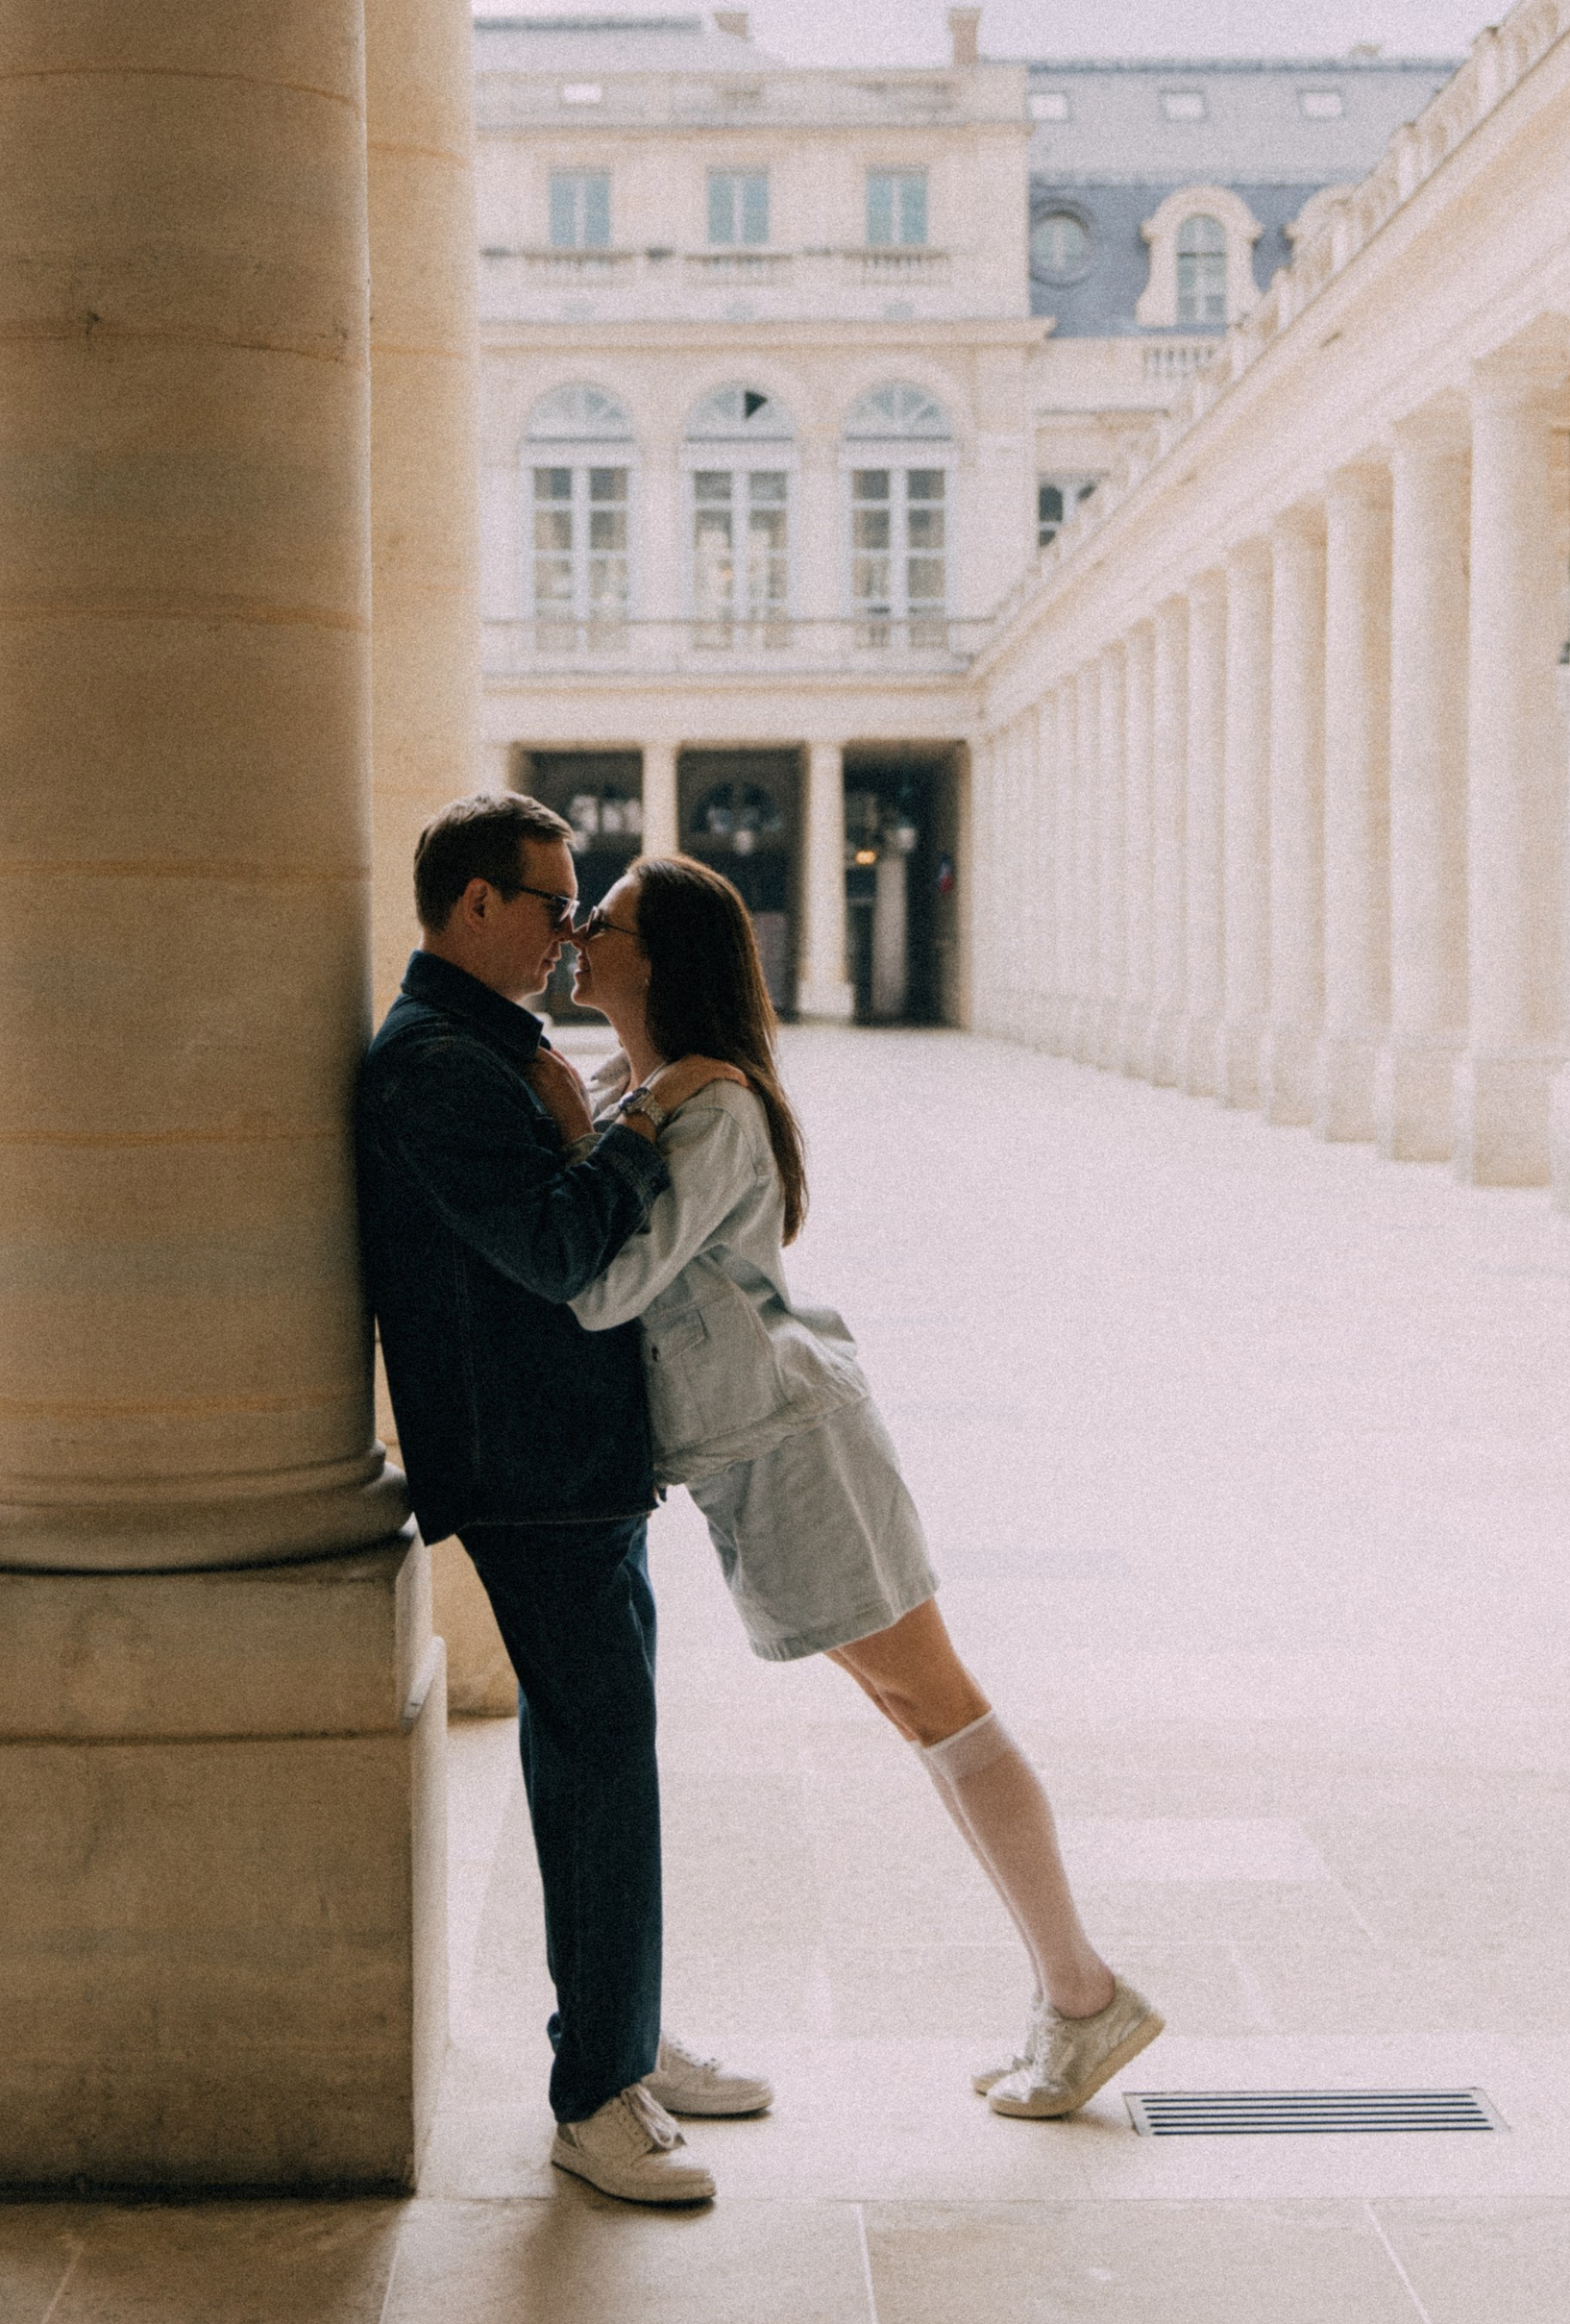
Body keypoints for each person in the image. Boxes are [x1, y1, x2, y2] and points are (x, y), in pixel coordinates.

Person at [566, 853, 1163, 2122]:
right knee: (921, 1712)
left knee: (938, 1703)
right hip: (758, 1453)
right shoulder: (650, 1088)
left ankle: (1083, 1992)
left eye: (604, 918)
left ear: (659, 958)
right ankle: (1074, 1993)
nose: (580, 930)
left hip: (799, 1445)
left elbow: (608, 1286)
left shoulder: (706, 1110)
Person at [356, 792, 773, 2208]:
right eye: (550, 901)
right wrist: (644, 1126)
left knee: (600, 1758)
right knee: (600, 1766)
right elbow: (553, 1250)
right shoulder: (435, 1067)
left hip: (573, 1459)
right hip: (530, 1465)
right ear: (474, 904)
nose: (567, 929)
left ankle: (623, 2027)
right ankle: (594, 2094)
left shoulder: (489, 1048)